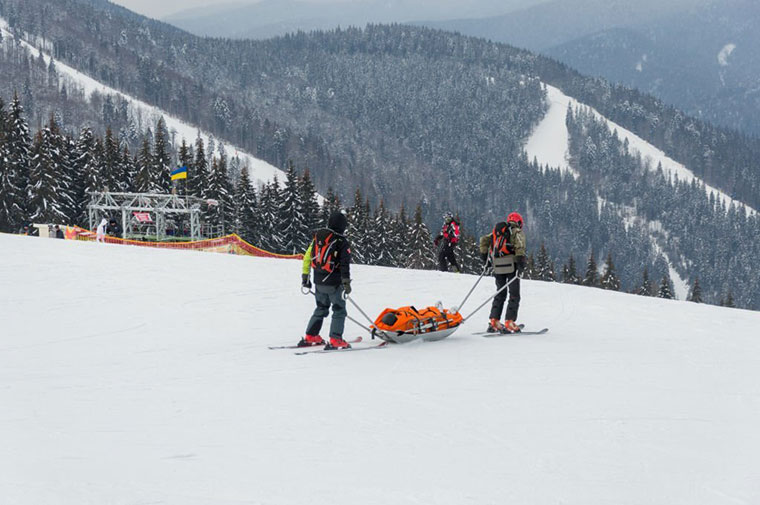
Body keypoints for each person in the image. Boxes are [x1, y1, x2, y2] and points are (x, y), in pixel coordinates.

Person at [299, 210, 353, 349]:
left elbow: (307, 258)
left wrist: (305, 278)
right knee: (339, 309)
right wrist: (346, 282)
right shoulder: (341, 241)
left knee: (321, 308)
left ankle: (311, 335)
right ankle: (336, 338)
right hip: (334, 282)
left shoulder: (318, 238)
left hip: (318, 281)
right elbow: (344, 264)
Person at [479, 212, 527, 334]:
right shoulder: (516, 231)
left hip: (498, 266)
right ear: (519, 222)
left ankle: (494, 321)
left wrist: (485, 258)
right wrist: (521, 264)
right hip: (511, 266)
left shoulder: (498, 231)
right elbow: (520, 246)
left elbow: (484, 240)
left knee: (500, 292)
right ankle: (510, 322)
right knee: (514, 294)